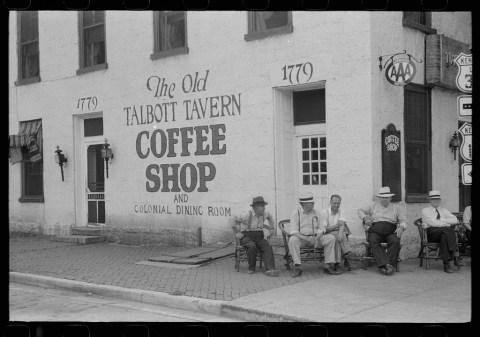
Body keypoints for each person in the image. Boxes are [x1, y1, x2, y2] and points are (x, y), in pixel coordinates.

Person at [288, 192, 341, 277]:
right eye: (311, 202)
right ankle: (298, 267)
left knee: (331, 238)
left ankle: (328, 266)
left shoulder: (317, 212)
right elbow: (294, 231)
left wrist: (317, 238)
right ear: (304, 204)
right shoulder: (295, 213)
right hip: (303, 238)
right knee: (292, 240)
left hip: (316, 237)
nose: (314, 203)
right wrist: (306, 238)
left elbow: (322, 228)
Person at [358, 186, 407, 276]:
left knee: (395, 241)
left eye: (387, 198)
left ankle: (387, 265)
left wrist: (401, 227)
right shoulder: (373, 205)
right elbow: (360, 210)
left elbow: (403, 221)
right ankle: (386, 265)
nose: (384, 200)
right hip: (375, 230)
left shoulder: (396, 208)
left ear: (390, 198)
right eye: (382, 198)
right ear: (379, 198)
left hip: (390, 231)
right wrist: (365, 217)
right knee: (372, 240)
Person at [229, 196, 280, 277]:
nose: (264, 208)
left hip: (259, 236)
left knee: (267, 247)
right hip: (247, 236)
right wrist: (237, 233)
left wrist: (272, 228)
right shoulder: (246, 215)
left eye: (264, 206)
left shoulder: (266, 213)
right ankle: (251, 267)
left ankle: (270, 269)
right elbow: (232, 219)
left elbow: (270, 219)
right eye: (262, 206)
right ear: (255, 207)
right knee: (252, 246)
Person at [421, 190, 461, 273]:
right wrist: (447, 224)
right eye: (433, 199)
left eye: (438, 199)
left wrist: (442, 219)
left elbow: (455, 220)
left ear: (440, 200)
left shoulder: (443, 210)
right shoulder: (425, 211)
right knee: (449, 230)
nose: (436, 201)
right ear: (430, 201)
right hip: (431, 233)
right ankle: (454, 254)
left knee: (444, 237)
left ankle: (446, 265)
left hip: (443, 233)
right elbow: (433, 223)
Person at [320, 194, 353, 272]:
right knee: (339, 235)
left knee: (339, 237)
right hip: (326, 234)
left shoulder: (341, 211)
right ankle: (347, 253)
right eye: (334, 203)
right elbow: (325, 229)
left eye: (338, 203)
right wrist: (336, 225)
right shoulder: (324, 212)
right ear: (330, 202)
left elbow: (342, 224)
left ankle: (337, 263)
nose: (336, 205)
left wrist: (341, 233)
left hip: (336, 233)